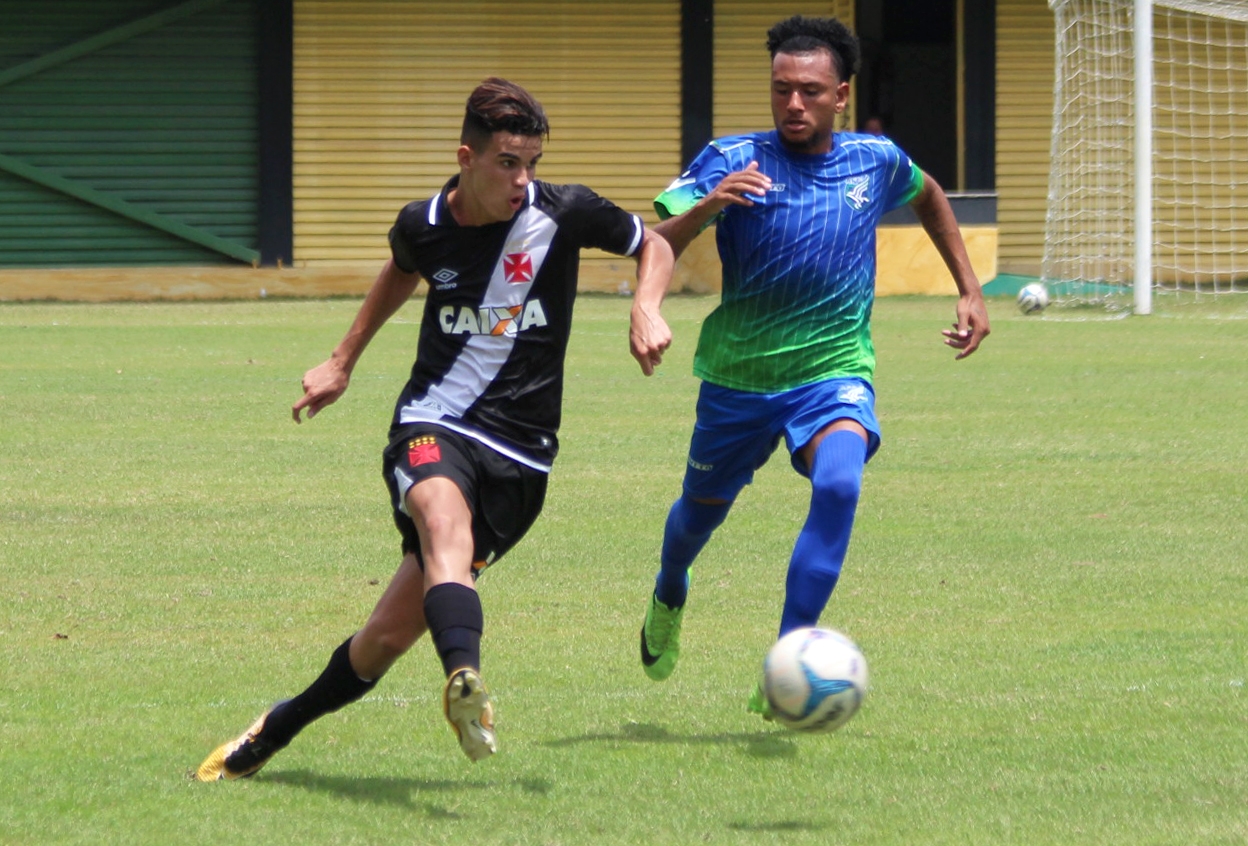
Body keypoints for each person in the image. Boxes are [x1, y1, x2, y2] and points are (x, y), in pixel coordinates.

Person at [195, 77, 674, 779]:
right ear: (467, 157)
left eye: (532, 163)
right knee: (442, 525)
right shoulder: (423, 222)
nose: (523, 179)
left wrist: (647, 306)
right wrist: (342, 361)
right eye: (509, 163)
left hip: (523, 456)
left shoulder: (563, 211)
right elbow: (401, 270)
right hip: (434, 421)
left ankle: (278, 725)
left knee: (382, 639)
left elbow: (652, 243)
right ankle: (467, 685)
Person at [636, 15, 989, 717]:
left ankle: (788, 658)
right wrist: (655, 293)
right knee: (696, 521)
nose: (793, 104)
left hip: (833, 371)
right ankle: (670, 586)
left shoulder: (876, 160)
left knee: (838, 485)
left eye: (810, 91)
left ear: (841, 96)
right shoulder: (729, 157)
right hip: (739, 377)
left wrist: (970, 288)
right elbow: (656, 238)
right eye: (781, 90)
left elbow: (930, 197)